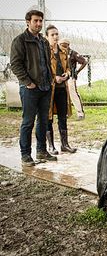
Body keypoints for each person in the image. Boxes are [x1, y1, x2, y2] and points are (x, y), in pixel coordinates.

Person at [10, 10, 56, 166]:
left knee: (43, 121)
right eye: (36, 21)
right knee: (28, 122)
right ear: (28, 22)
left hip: (45, 87)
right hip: (29, 89)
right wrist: (27, 82)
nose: (39, 24)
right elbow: (15, 65)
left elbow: (47, 63)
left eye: (41, 21)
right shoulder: (20, 41)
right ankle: (25, 155)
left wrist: (50, 80)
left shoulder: (43, 41)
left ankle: (42, 151)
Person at [45, 25, 77, 155]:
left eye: (56, 34)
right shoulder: (45, 51)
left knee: (62, 117)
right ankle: (51, 146)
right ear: (47, 37)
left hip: (62, 89)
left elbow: (69, 68)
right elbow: (43, 70)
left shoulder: (63, 51)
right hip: (49, 89)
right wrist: (54, 78)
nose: (55, 37)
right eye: (52, 35)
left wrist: (67, 75)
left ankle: (65, 144)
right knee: (49, 117)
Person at [59, 38, 87, 119]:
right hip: (62, 76)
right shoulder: (59, 53)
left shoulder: (73, 53)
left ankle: (80, 113)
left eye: (64, 45)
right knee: (63, 94)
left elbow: (84, 62)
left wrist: (77, 71)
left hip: (71, 76)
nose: (63, 47)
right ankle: (65, 112)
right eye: (61, 45)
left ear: (68, 45)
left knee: (73, 94)